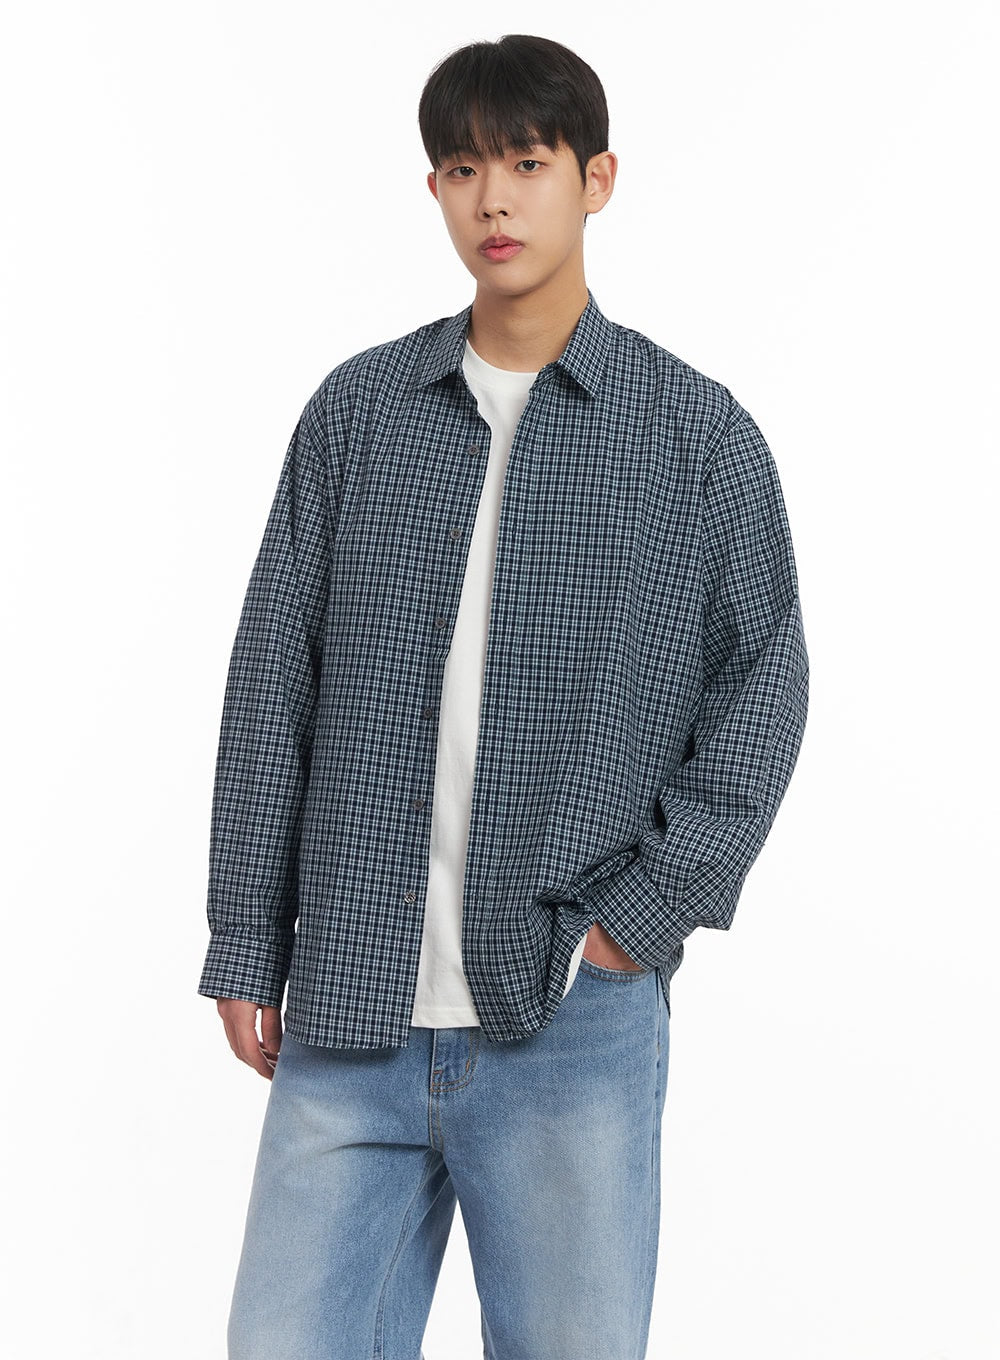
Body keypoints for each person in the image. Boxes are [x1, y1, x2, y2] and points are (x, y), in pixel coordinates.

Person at [197, 32, 809, 1360]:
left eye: (528, 164)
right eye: (465, 168)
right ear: (434, 188)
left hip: (568, 1016)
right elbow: (272, 680)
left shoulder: (692, 434)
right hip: (350, 1006)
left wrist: (638, 922)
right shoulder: (359, 415)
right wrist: (246, 934)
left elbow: (762, 684)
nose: (495, 200)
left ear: (597, 180)